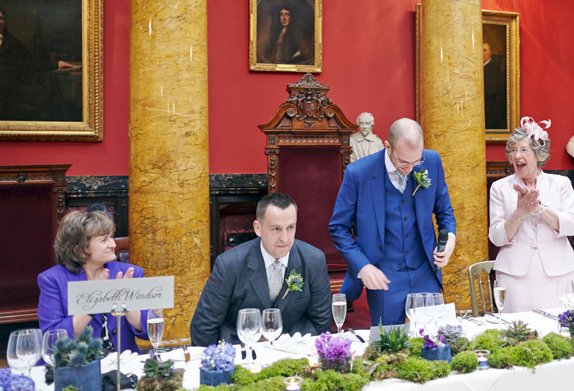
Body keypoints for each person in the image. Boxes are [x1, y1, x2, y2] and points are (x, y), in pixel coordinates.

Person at [328, 118, 456, 326]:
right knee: (389, 347)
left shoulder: (432, 161)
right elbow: (338, 228)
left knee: (435, 342)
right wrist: (363, 266)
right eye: (404, 162)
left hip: (424, 270)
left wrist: (450, 237)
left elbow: (445, 211)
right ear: (387, 146)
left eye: (416, 162)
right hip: (384, 275)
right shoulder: (359, 173)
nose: (410, 168)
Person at [190, 192, 331, 345]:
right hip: (241, 350)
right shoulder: (229, 265)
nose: (285, 238)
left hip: (295, 350)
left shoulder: (314, 260)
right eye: (276, 229)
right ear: (258, 228)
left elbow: (322, 323)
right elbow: (203, 326)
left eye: (290, 227)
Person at [489, 117, 574, 312]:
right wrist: (520, 213)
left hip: (560, 275)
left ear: (538, 154)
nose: (516, 156)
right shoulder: (500, 188)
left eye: (523, 150)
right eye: (513, 150)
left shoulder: (561, 184)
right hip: (515, 279)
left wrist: (538, 208)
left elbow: (573, 226)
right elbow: (497, 238)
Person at [37, 209, 149, 353]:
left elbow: (148, 331)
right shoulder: (53, 280)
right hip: (78, 367)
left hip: (125, 365)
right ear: (79, 250)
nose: (113, 245)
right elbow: (52, 341)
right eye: (104, 240)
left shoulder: (130, 274)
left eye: (111, 237)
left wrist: (127, 304)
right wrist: (95, 301)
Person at [0, 3, 79, 121]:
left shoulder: (12, 41)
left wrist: (57, 64)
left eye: (0, 18)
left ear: (5, 21)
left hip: (12, 84)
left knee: (47, 98)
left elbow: (30, 60)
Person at [483, 41, 507, 130]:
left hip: (491, 110)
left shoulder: (494, 68)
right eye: (480, 50)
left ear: (490, 52)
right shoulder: (477, 66)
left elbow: (491, 91)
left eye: (484, 50)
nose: (481, 53)